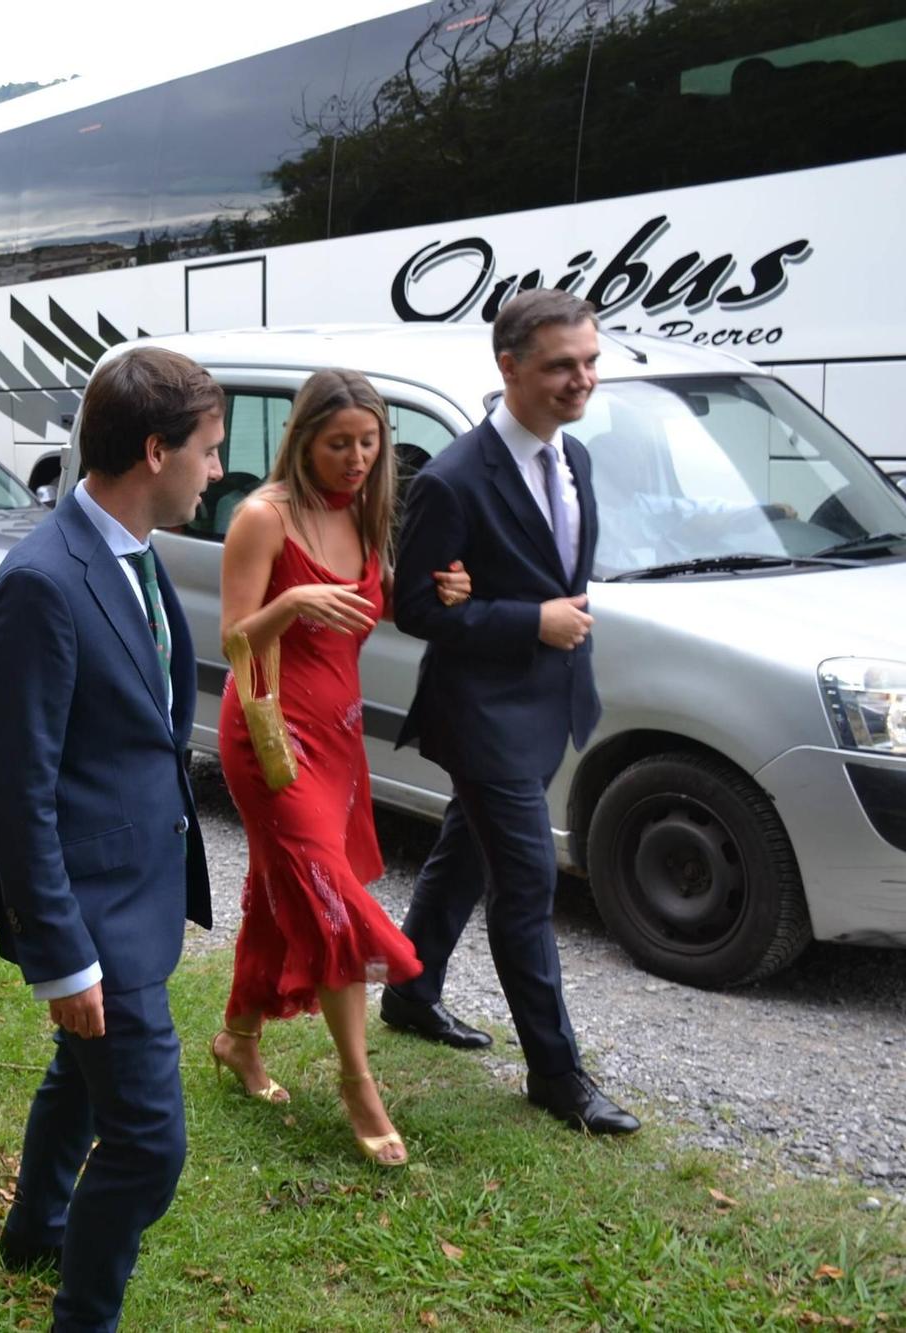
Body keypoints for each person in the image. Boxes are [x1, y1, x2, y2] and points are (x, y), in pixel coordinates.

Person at [0, 347, 220, 1332]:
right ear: (153, 450)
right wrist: (63, 953)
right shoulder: (41, 580)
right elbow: (16, 788)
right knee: (149, 1144)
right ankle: (81, 1312)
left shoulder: (130, 547)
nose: (216, 471)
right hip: (91, 916)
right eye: (206, 452)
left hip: (137, 891)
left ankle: (34, 1227)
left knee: (77, 1079)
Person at [384, 289, 640, 1136]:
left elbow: (556, 571)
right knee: (525, 882)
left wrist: (542, 620)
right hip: (482, 712)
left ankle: (412, 992)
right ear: (510, 367)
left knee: (466, 849)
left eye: (591, 362)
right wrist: (529, 620)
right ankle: (557, 1077)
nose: (582, 380)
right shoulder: (454, 479)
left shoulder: (579, 462)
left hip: (550, 703)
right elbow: (414, 606)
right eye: (563, 364)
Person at [210, 369, 473, 1169]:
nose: (357, 457)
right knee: (330, 895)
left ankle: (238, 1037)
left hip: (339, 736)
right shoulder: (263, 517)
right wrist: (291, 606)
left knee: (278, 892)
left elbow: (373, 604)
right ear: (303, 439)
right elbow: (232, 639)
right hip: (270, 739)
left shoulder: (363, 512)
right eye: (339, 443)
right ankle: (359, 1081)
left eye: (369, 442)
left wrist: (442, 591)